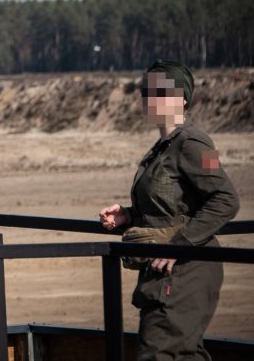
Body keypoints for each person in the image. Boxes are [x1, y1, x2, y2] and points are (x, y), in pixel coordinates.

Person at [99, 60, 239, 360]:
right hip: (165, 271)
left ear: (182, 98)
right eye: (146, 91)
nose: (150, 98)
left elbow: (225, 199)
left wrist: (179, 245)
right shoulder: (163, 147)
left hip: (186, 270)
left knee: (159, 354)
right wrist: (129, 215)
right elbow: (169, 207)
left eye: (160, 92)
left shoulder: (195, 143)